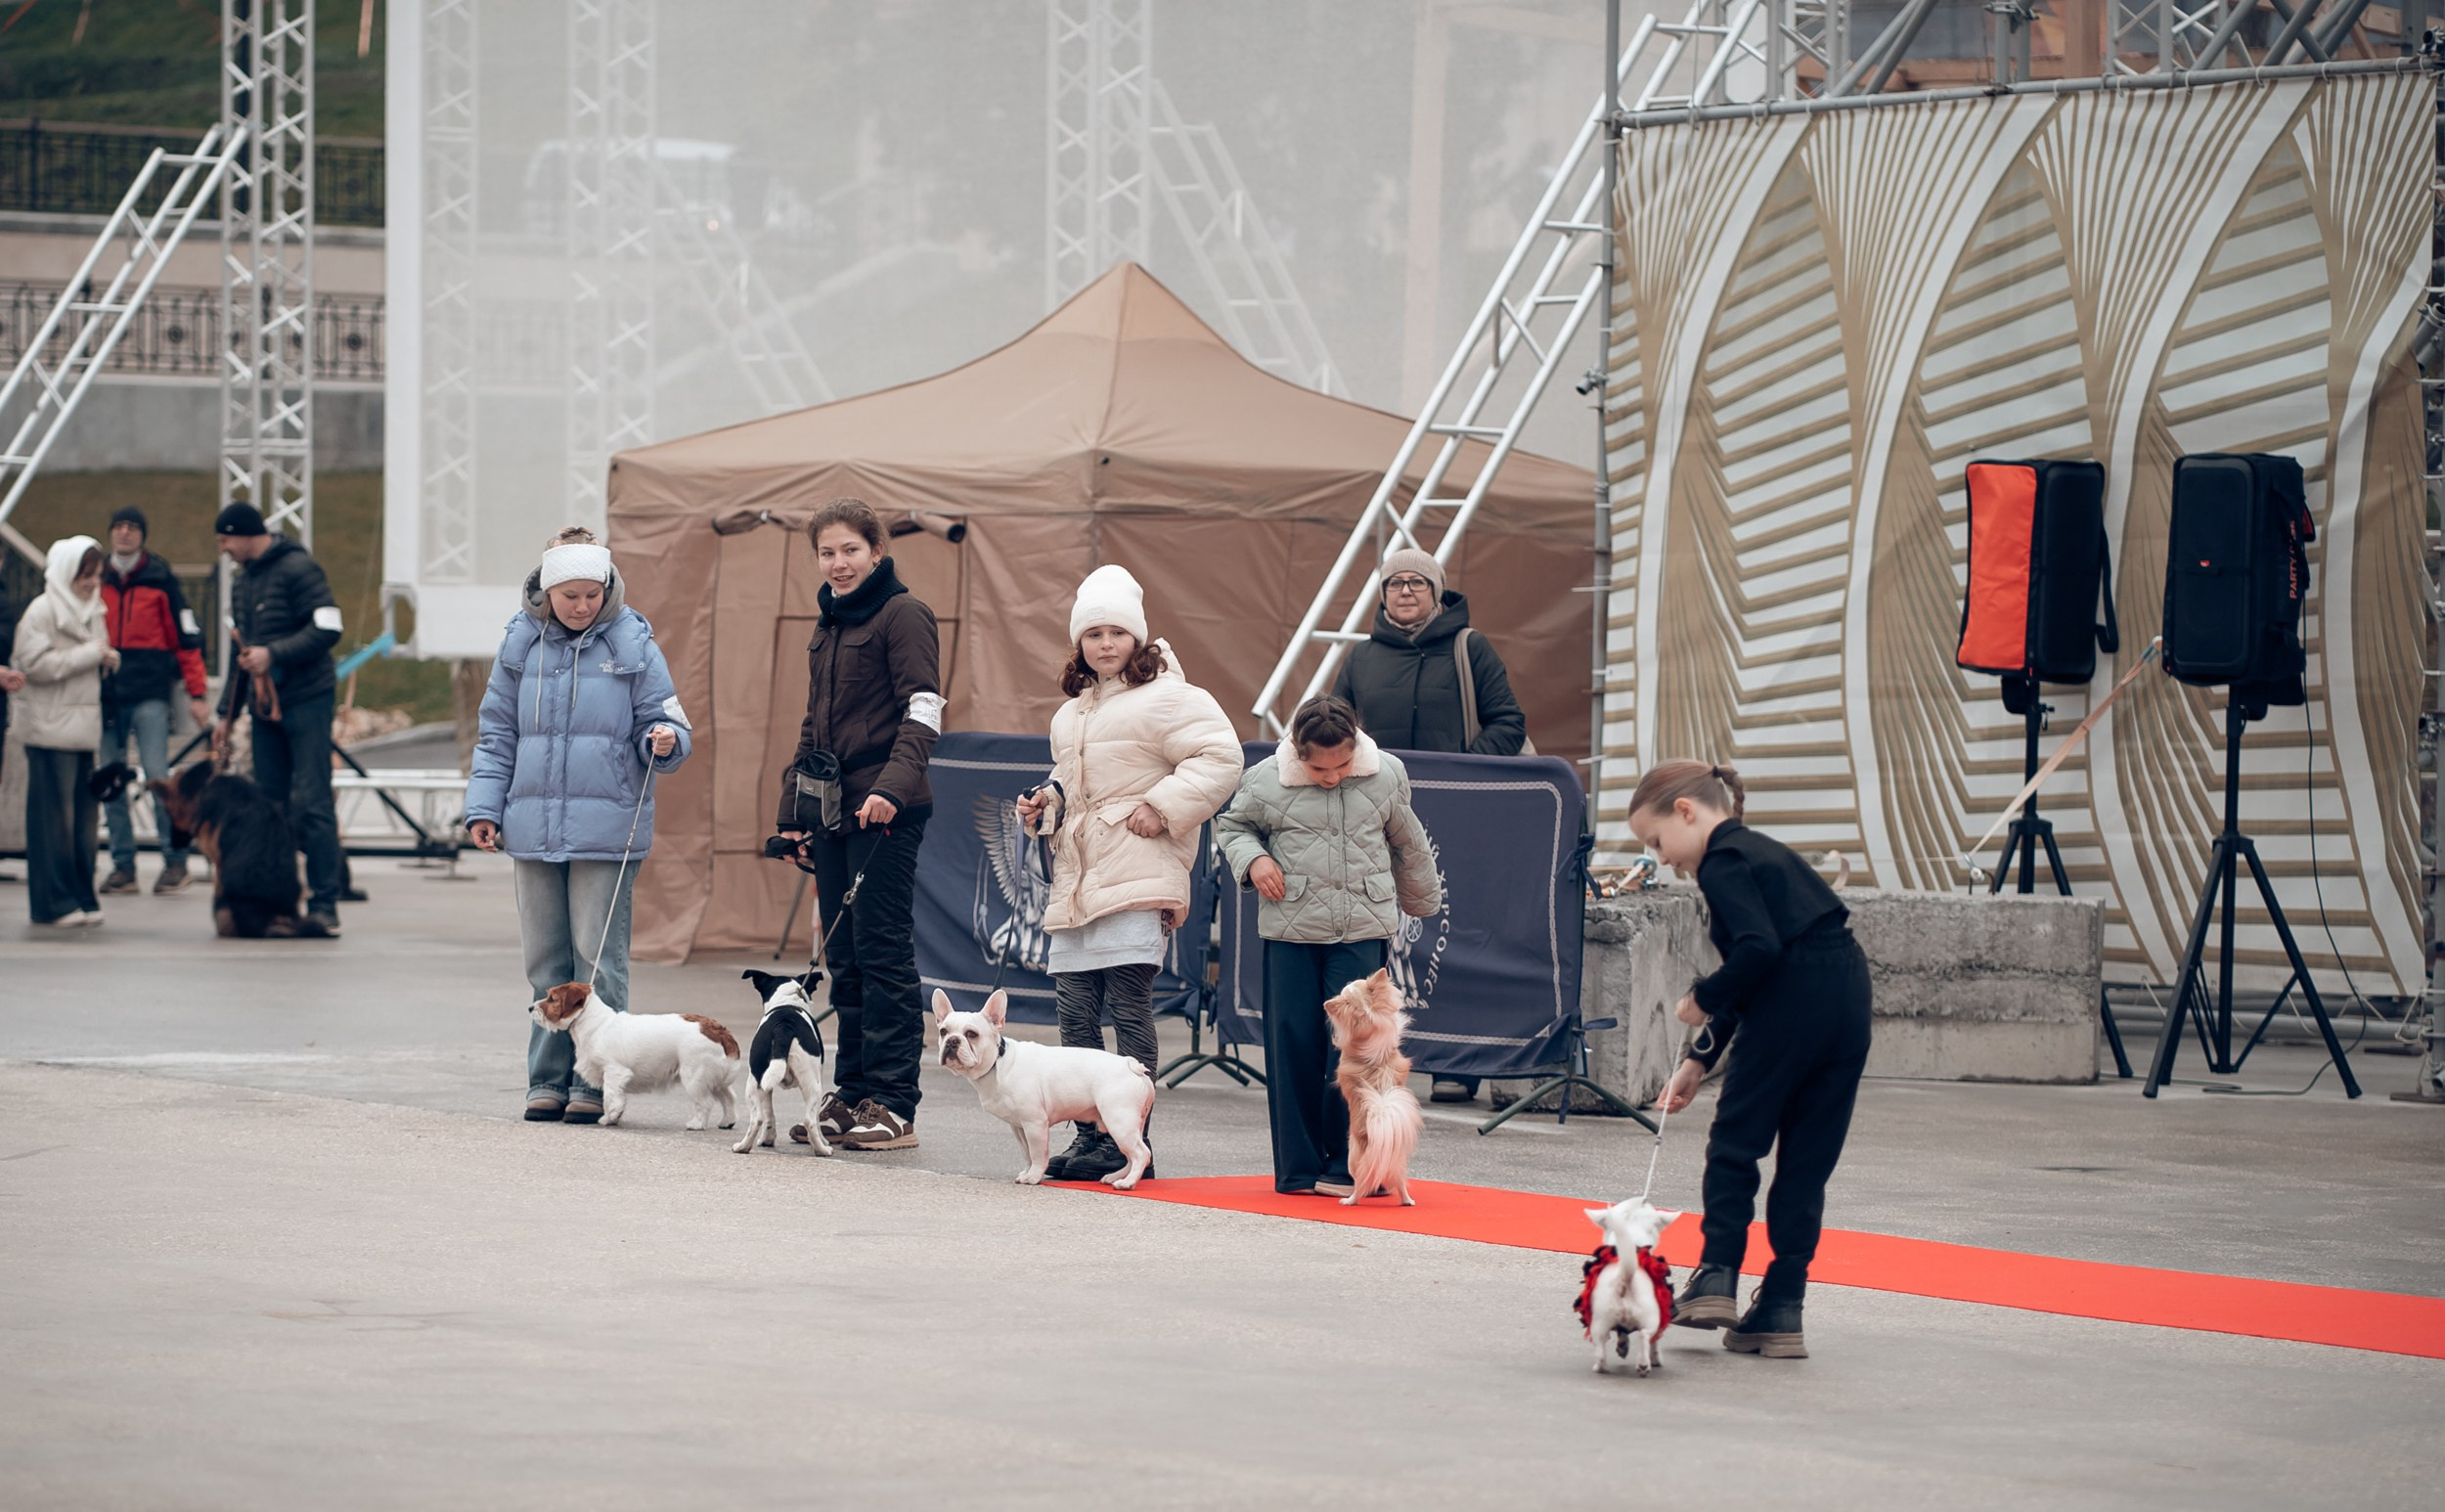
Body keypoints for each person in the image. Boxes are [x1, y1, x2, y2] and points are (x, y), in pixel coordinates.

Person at [1637, 759, 1871, 1361]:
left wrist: (1700, 999)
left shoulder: (1722, 859)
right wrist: (1699, 1060)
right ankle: (1782, 1307)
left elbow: (1758, 954)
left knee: (1736, 1144)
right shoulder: (1764, 853)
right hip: (1846, 1000)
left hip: (1792, 1000)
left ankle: (1717, 1273)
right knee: (1805, 1161)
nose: (1662, 858)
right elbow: (1767, 961)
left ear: (1685, 811)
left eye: (1657, 840)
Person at [1014, 565, 1241, 1181]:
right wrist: (1046, 803)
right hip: (1081, 879)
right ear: (1079, 643)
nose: (1107, 644)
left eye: (1118, 631)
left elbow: (1221, 757)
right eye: (1094, 633)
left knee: (1129, 1007)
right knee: (1076, 1013)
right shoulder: (1071, 714)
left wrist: (1162, 806)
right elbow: (1073, 785)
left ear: (1138, 638)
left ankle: (1131, 1141)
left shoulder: (1173, 696)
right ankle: (1092, 1139)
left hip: (1138, 871)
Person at [465, 528, 689, 1124]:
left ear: (608, 588)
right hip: (531, 825)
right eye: (571, 596)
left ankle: (595, 1082)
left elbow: (668, 721)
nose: (583, 605)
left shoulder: (635, 639)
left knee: (597, 962)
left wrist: (664, 742)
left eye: (594, 594)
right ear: (546, 589)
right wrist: (484, 808)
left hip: (607, 826)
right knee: (544, 961)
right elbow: (497, 734)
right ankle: (546, 1079)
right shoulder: (519, 641)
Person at [1215, 693, 1440, 1196]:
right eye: (1319, 767)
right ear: (1297, 751)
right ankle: (1297, 1170)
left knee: (1363, 1050)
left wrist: (1422, 900)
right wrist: (1254, 861)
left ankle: (1352, 1166)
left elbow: (1408, 839)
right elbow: (1231, 826)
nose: (1332, 775)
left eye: (1341, 764)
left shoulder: (1386, 773)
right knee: (1293, 1042)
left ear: (1355, 744)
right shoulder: (1264, 780)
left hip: (1361, 926)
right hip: (1291, 929)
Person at [1330, 545, 1528, 1106]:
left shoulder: (1472, 648)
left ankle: (1456, 1064)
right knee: (1380, 942)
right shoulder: (1362, 658)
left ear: (1438, 593)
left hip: (1458, 823)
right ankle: (1374, 1060)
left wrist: (1459, 771)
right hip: (1375, 824)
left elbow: (1508, 723)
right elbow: (1336, 731)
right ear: (1383, 594)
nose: (1407, 590)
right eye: (1396, 582)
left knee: (1453, 936)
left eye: (1419, 582)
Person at [776, 498, 942, 1153]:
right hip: (834, 813)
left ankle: (895, 1104)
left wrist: (891, 791)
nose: (838, 563)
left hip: (888, 811)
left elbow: (922, 713)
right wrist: (793, 815)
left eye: (850, 550)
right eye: (827, 552)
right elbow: (813, 728)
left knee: (882, 953)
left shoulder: (905, 614)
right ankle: (850, 1094)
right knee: (843, 959)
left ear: (877, 551)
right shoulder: (829, 623)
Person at [209, 502, 344, 934]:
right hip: (264, 709)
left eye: (226, 539)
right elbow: (241, 650)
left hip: (307, 700)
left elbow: (329, 628)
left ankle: (325, 905)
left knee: (313, 801)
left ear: (246, 534)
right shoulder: (241, 582)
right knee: (269, 807)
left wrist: (274, 653)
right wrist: (224, 715)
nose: (223, 548)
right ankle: (279, 903)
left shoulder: (300, 569)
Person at [97, 506, 210, 896]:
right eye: (119, 527)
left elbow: (187, 639)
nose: (125, 534)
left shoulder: (161, 578)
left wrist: (197, 693)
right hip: (107, 697)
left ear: (143, 535)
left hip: (149, 694)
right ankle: (122, 866)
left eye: (133, 528)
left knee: (158, 774)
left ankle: (175, 862)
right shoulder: (95, 576)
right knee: (110, 780)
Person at [11, 537, 118, 927]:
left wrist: (105, 658)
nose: (92, 583)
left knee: (82, 822)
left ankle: (80, 895)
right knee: (52, 820)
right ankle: (51, 902)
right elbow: (32, 665)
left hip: (81, 728)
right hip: (48, 728)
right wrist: (92, 654)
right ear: (65, 573)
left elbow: (85, 655)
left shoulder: (94, 610)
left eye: (97, 575)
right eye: (85, 575)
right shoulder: (42, 611)